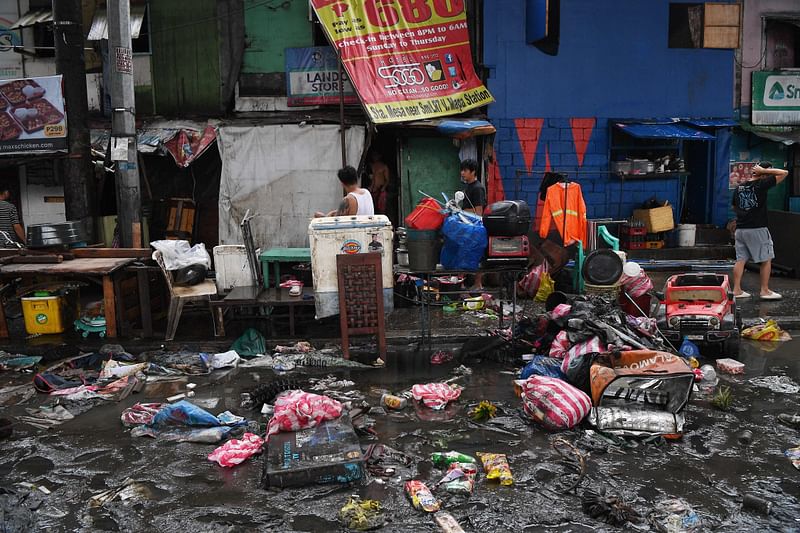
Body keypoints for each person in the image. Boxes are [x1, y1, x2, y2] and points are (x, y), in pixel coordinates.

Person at [731, 162, 787, 300]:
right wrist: (765, 171)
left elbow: (734, 206)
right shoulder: (762, 185)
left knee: (741, 259)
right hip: (757, 228)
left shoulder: (739, 187)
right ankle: (765, 290)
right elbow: (784, 173)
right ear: (764, 172)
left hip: (741, 229)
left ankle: (736, 290)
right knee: (766, 259)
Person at [460, 159, 486, 291]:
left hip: (475, 227)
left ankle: (478, 284)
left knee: (476, 255)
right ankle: (461, 283)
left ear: (473, 172)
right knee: (463, 253)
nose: (462, 173)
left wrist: (461, 211)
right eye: (462, 170)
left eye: (465, 170)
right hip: (467, 225)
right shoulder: (468, 187)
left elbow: (479, 211)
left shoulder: (478, 188)